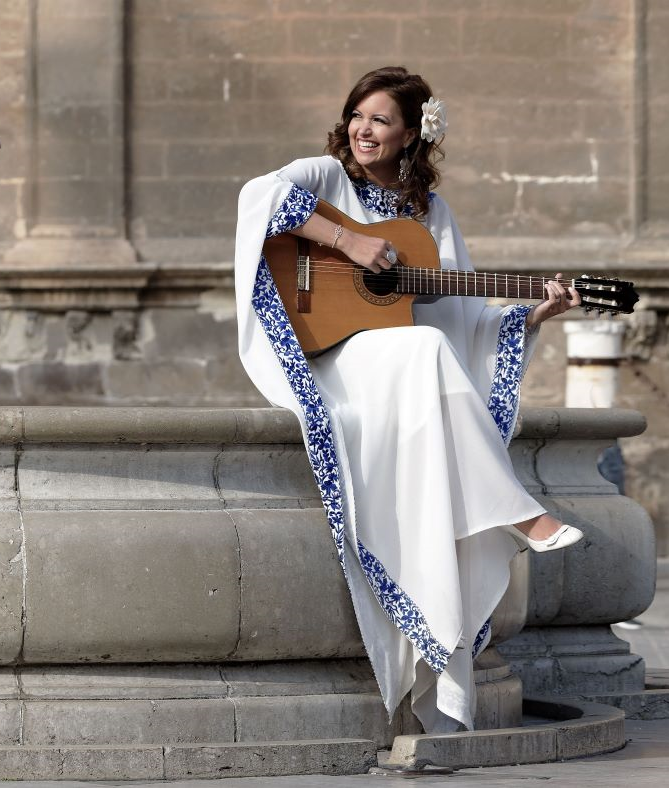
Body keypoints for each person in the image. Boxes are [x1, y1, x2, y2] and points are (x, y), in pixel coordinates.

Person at [233, 66, 583, 734]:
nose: (364, 130)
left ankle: (502, 525)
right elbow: (258, 196)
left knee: (426, 347)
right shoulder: (323, 177)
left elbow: (458, 317)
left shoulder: (429, 215)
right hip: (326, 353)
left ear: (410, 136)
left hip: (398, 360)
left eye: (381, 121)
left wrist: (533, 315)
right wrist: (348, 240)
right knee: (422, 350)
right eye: (358, 116)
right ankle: (518, 513)